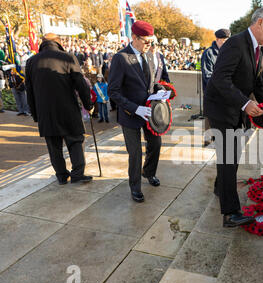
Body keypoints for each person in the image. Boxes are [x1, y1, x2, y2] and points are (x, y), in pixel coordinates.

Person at [204, 6, 263, 228]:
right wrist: (245, 103)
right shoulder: (236, 43)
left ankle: (220, 187)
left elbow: (257, 82)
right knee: (229, 157)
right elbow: (220, 79)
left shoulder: (258, 48)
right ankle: (230, 213)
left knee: (232, 154)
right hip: (220, 108)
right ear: (259, 23)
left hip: (235, 108)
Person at [108, 20, 165, 203]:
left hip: (148, 112)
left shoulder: (148, 56)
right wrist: (135, 108)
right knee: (135, 153)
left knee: (155, 144)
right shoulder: (121, 58)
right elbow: (113, 91)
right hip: (130, 113)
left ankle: (149, 172)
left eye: (151, 42)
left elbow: (149, 84)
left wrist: (161, 90)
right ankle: (135, 187)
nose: (150, 45)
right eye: (146, 41)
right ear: (134, 37)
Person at [25, 33, 93, 185]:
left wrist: (36, 115)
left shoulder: (31, 61)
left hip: (45, 112)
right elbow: (80, 84)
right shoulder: (67, 57)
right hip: (67, 108)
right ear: (58, 42)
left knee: (54, 146)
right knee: (75, 141)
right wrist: (88, 105)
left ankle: (61, 176)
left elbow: (29, 91)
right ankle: (77, 174)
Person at [201, 28, 231, 146]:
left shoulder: (228, 52)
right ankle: (208, 140)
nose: (226, 43)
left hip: (225, 91)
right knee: (210, 117)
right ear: (217, 40)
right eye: (224, 41)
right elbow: (207, 75)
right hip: (212, 92)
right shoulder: (208, 53)